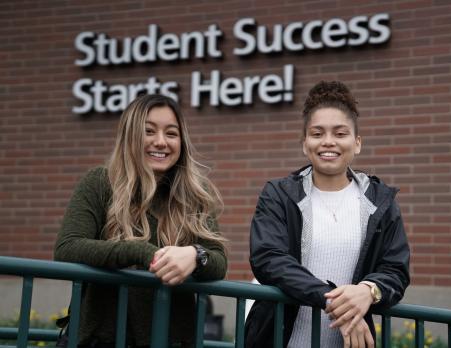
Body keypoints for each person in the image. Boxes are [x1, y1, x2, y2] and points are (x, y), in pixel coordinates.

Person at [245, 81, 410, 348]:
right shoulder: (278, 194)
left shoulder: (380, 202)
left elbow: (395, 270)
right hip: (277, 339)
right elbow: (269, 259)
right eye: (317, 133)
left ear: (357, 143)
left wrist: (368, 291)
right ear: (304, 143)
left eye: (340, 133)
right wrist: (336, 300)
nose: (328, 142)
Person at [54, 94, 227, 347]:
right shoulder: (100, 183)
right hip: (100, 338)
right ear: (130, 136)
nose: (161, 142)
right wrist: (141, 253)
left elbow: (218, 260)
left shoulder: (195, 195)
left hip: (171, 339)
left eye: (171, 133)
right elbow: (67, 248)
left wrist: (195, 255)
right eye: (148, 131)